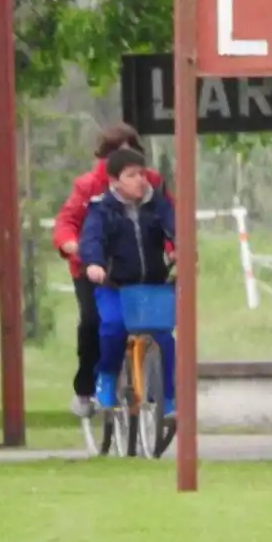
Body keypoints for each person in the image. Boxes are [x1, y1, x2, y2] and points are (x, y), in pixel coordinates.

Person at [53, 123, 169, 418]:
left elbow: (168, 220)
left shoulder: (151, 183)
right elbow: (68, 221)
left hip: (137, 268)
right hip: (94, 268)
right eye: (118, 156)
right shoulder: (89, 186)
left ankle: (159, 388)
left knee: (158, 326)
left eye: (132, 155)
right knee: (95, 321)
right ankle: (88, 386)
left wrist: (174, 248)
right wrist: (73, 246)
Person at [77, 147, 177, 417]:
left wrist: (180, 249)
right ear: (115, 181)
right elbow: (91, 239)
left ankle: (168, 398)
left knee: (165, 340)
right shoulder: (101, 209)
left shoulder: (158, 205)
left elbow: (175, 227)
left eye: (141, 173)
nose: (139, 180)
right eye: (131, 175)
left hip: (151, 288)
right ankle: (107, 376)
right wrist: (94, 264)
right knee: (113, 327)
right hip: (115, 288)